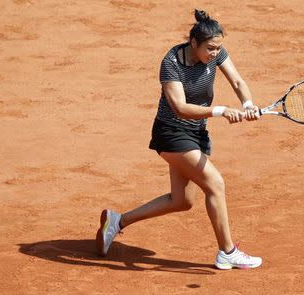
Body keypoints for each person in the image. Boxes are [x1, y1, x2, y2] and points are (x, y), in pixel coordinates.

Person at [96, 9, 262, 270]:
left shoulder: (215, 53)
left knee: (181, 201)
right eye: (210, 48)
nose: (215, 53)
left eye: (218, 48)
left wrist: (248, 103)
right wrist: (220, 110)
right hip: (171, 133)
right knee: (215, 185)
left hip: (196, 133)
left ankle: (117, 221)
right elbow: (180, 107)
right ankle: (227, 252)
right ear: (193, 43)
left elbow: (239, 82)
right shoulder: (171, 61)